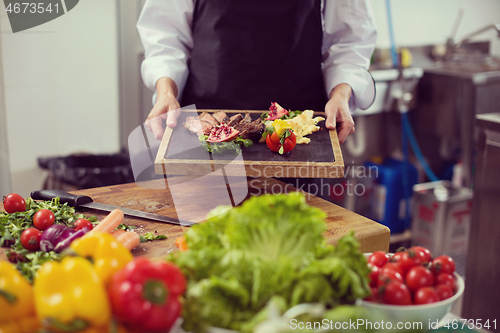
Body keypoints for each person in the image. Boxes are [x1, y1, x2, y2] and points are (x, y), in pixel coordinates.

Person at [137, 0, 376, 144]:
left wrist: (341, 94)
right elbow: (165, 37)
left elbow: (349, 42)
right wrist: (166, 92)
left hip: (297, 135)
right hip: (204, 127)